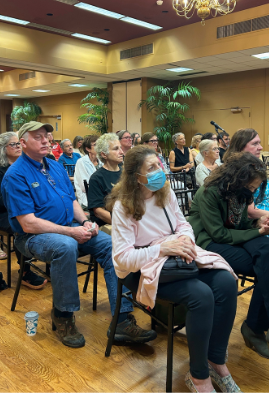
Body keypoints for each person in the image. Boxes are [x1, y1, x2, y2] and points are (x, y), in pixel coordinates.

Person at [1, 122, 154, 348]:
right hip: (32, 238)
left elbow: (71, 201)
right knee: (66, 246)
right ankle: (63, 316)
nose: (45, 140)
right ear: (22, 143)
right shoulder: (15, 175)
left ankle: (121, 320)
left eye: (46, 136)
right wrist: (71, 231)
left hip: (69, 226)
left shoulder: (55, 167)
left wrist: (85, 222)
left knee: (113, 245)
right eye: (37, 137)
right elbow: (28, 223)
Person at [109, 146, 241, 393]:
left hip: (174, 258)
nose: (160, 171)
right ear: (135, 177)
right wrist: (163, 248)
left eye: (159, 165)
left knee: (225, 281)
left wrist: (185, 241)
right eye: (151, 168)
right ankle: (199, 376)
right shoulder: (123, 207)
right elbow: (123, 259)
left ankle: (215, 361)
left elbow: (184, 224)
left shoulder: (164, 194)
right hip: (140, 270)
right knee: (201, 296)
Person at [187, 152, 269, 364]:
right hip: (209, 242)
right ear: (238, 179)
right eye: (252, 187)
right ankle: (260, 327)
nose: (253, 192)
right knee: (268, 264)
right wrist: (258, 232)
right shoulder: (210, 192)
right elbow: (219, 234)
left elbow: (241, 225)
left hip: (233, 237)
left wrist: (261, 225)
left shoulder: (240, 193)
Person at [0, 132, 48, 289]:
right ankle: (25, 272)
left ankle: (51, 262)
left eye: (18, 143)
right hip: (0, 214)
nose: (17, 147)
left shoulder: (26, 167)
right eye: (13, 144)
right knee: (23, 226)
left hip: (23, 209)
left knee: (47, 219)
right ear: (2, 149)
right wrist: (23, 204)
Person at [87, 133, 123, 227]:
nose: (121, 152)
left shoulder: (126, 173)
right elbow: (98, 212)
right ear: (104, 154)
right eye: (116, 149)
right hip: (109, 224)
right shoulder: (97, 178)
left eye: (120, 148)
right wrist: (122, 223)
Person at [74, 135, 100, 208]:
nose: (99, 147)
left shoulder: (102, 161)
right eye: (95, 145)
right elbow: (85, 186)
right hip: (87, 200)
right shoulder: (81, 162)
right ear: (88, 149)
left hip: (101, 199)